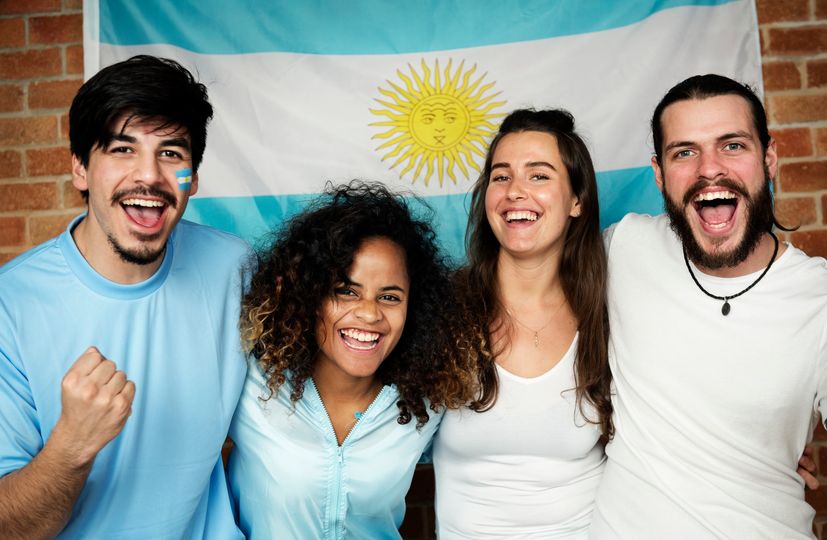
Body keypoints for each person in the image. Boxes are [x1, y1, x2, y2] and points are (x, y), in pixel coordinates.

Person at [0, 55, 248, 538]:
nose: (149, 176)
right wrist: (72, 446)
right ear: (80, 169)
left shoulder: (237, 271)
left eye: (172, 153)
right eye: (122, 149)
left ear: (193, 178)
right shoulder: (10, 305)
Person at [590, 74, 827, 539]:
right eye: (685, 152)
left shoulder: (818, 298)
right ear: (659, 173)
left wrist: (770, 438)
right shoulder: (625, 247)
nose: (709, 169)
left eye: (732, 145)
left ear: (769, 157)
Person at [228, 181, 474, 538]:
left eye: (389, 297)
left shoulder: (429, 400)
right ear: (309, 295)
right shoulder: (252, 384)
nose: (369, 314)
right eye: (346, 292)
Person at [432, 109, 613, 538]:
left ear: (577, 200)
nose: (515, 191)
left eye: (539, 176)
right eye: (501, 176)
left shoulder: (610, 310)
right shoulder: (443, 310)